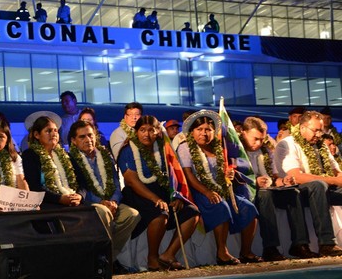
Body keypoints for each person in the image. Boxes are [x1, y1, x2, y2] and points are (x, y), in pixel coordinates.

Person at [177, 110, 261, 265]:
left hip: (222, 189)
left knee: (248, 208)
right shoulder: (185, 147)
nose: (204, 133)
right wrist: (207, 192)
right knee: (220, 205)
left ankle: (246, 251)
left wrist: (228, 175)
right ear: (192, 131)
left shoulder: (218, 147)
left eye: (208, 129)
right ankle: (222, 252)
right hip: (198, 191)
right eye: (199, 130)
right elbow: (188, 176)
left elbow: (223, 171)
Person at [117, 116, 199, 271]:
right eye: (142, 130)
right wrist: (156, 199)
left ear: (158, 132)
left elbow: (172, 175)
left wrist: (174, 196)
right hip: (137, 193)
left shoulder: (162, 148)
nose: (146, 134)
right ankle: (152, 258)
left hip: (161, 190)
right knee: (160, 212)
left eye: (151, 130)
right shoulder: (128, 150)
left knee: (192, 212)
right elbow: (132, 181)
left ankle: (168, 254)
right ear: (136, 131)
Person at [240, 116, 320, 261]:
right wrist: (254, 182)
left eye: (262, 139)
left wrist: (284, 180)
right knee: (265, 195)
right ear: (244, 133)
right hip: (247, 193)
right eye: (255, 138)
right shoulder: (235, 150)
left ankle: (300, 245)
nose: (259, 143)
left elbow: (274, 177)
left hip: (268, 189)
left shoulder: (266, 150)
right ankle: (270, 248)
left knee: (293, 192)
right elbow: (233, 177)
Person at [68, 120, 140, 274]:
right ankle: (106, 262)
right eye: (82, 137)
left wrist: (113, 201)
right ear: (73, 141)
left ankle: (108, 259)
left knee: (133, 215)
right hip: (89, 204)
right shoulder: (70, 159)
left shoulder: (105, 155)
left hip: (110, 202)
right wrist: (101, 202)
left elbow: (115, 182)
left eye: (90, 135)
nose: (88, 140)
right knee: (103, 212)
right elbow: (80, 189)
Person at [274, 111, 342, 235]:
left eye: (321, 131)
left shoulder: (321, 145)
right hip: (299, 190)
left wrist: (338, 178)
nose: (318, 134)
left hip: (327, 188)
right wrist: (333, 180)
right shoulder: (287, 144)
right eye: (315, 130)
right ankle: (327, 242)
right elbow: (297, 176)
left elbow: (336, 171)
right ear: (302, 128)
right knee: (318, 185)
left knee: (322, 185)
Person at [22, 111, 82, 209]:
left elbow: (82, 181)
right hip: (47, 204)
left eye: (56, 131)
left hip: (72, 201)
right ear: (37, 135)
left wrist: (79, 196)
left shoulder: (66, 155)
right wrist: (59, 199)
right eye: (48, 131)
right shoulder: (30, 155)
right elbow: (34, 187)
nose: (54, 134)